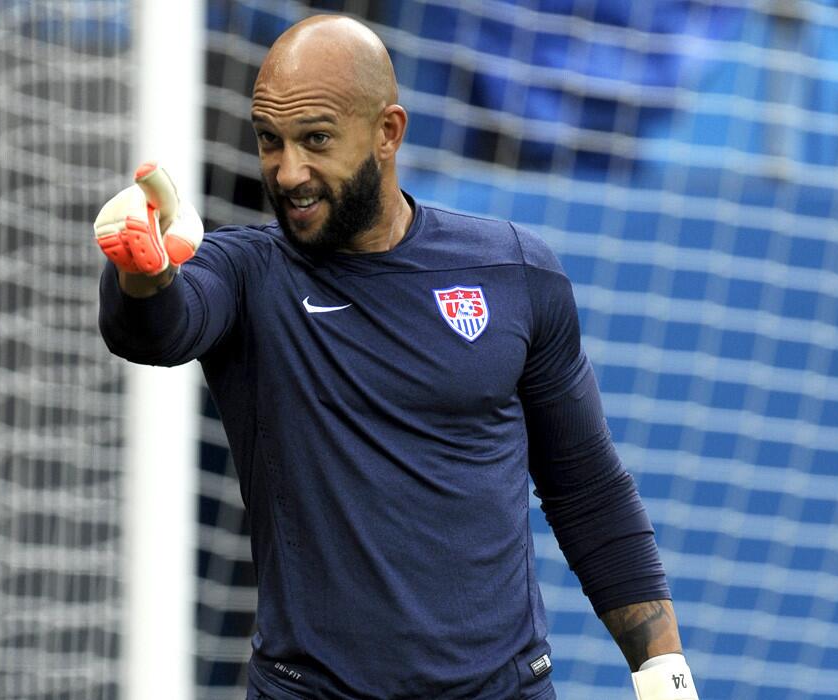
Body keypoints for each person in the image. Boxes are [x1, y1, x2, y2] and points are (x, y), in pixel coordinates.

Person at [95, 14, 698, 700]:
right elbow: (158, 328)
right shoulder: (246, 273)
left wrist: (665, 675)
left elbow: (587, 491)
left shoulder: (515, 274)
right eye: (270, 141)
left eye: (315, 140)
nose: (288, 171)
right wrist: (142, 276)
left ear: (388, 131)